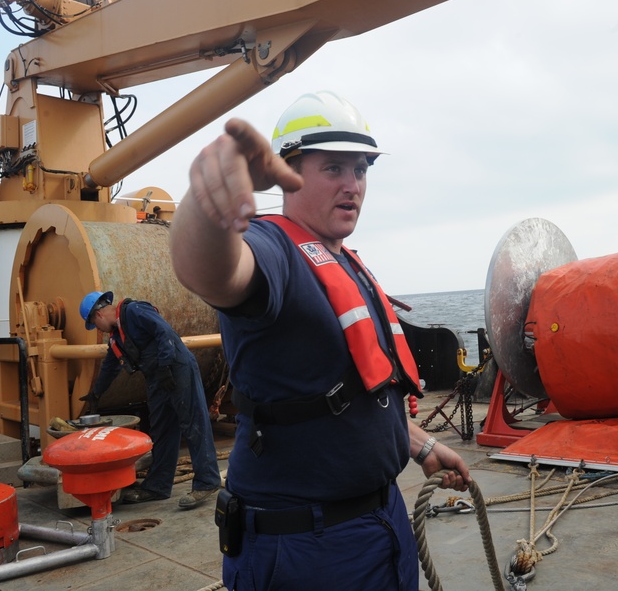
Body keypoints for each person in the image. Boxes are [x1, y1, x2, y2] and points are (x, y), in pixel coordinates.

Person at [168, 90, 471, 591]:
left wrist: (418, 444)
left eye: (361, 169)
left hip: (379, 524)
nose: (352, 185)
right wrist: (210, 204)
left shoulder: (343, 260)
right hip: (308, 547)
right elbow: (209, 272)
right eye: (333, 168)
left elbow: (345, 390)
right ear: (286, 173)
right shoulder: (274, 251)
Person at [79, 290, 222, 510]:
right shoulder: (117, 337)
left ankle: (207, 481)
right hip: (156, 377)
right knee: (162, 430)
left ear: (97, 316)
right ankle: (158, 486)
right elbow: (109, 366)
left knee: (193, 423)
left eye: (95, 325)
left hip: (176, 368)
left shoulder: (134, 311)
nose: (98, 329)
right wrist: (96, 393)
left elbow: (163, 331)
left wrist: (165, 364)